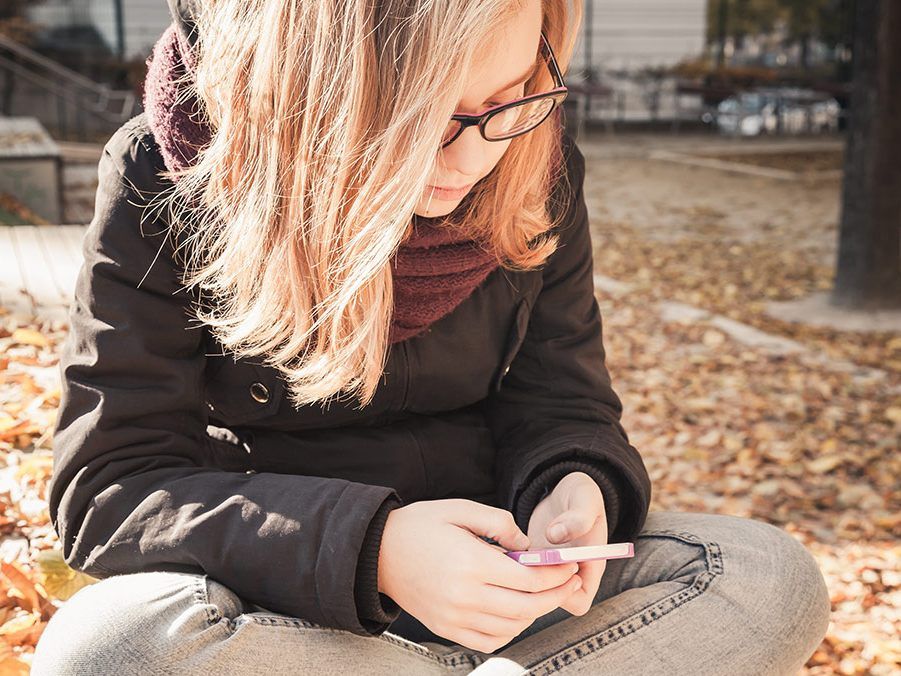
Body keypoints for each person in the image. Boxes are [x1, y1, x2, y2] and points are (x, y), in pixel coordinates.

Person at [31, 0, 831, 674]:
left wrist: (573, 485)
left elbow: (563, 401)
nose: (476, 155)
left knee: (768, 577)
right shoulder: (165, 173)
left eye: (511, 94)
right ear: (309, 91)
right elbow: (110, 489)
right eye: (430, 120)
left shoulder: (536, 163)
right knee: (110, 648)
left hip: (502, 591)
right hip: (281, 609)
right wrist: (373, 549)